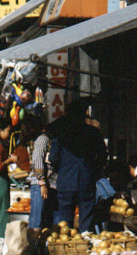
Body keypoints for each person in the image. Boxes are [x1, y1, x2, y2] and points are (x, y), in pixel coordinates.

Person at [49, 100, 107, 234]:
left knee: (65, 225)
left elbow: (53, 158)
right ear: (84, 114)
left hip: (66, 181)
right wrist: (94, 172)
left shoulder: (61, 134)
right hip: (86, 181)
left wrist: (61, 169)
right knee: (86, 224)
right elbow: (103, 156)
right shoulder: (93, 133)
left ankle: (66, 249)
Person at [25, 115, 59, 230]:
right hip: (40, 184)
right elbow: (38, 160)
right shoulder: (43, 139)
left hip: (49, 183)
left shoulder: (52, 141)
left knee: (45, 220)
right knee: (37, 220)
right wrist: (42, 183)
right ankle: (33, 244)